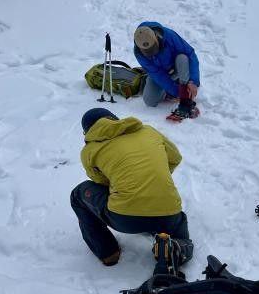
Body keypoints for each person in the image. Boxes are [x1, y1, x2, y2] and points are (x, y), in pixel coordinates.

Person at [70, 108, 193, 272]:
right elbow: (175, 158)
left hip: (125, 218)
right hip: (169, 213)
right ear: (115, 119)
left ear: (87, 131)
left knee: (77, 195)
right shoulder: (148, 131)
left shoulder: (89, 150)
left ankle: (108, 252)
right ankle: (175, 246)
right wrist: (151, 179)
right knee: (177, 236)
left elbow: (101, 182)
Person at [133, 21, 200, 117]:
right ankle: (170, 92)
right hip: (161, 73)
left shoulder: (169, 36)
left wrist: (193, 82)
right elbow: (157, 75)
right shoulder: (138, 53)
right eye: (147, 52)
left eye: (153, 48)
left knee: (182, 57)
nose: (152, 53)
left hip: (179, 68)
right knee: (149, 101)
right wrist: (177, 93)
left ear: (156, 37)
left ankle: (185, 87)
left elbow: (190, 54)